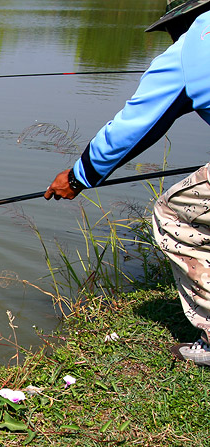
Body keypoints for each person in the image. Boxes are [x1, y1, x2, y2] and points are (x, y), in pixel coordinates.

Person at [44, 0, 210, 365]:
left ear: (184, 19)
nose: (171, 37)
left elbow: (133, 128)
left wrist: (77, 177)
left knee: (174, 216)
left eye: (170, 29)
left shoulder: (192, 45)